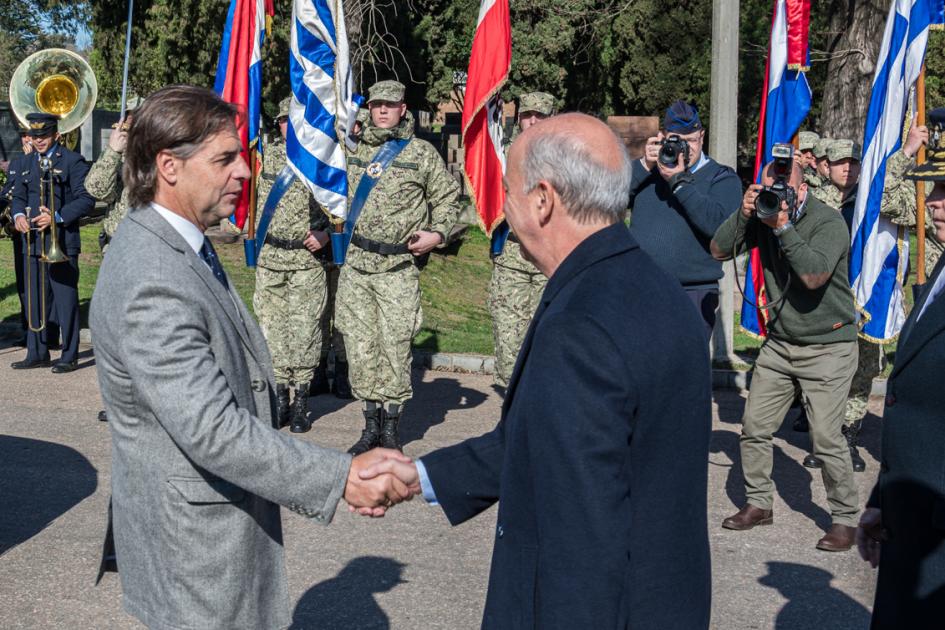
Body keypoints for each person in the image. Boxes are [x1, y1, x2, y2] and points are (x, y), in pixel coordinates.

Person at [359, 113, 713, 628]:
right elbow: (543, 440)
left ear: (543, 199)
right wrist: (421, 477)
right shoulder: (656, 291)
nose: (502, 207)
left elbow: (581, 531)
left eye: (507, 190)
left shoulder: (582, 325)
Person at [89, 85, 413, 630]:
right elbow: (212, 430)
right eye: (224, 158)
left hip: (204, 536)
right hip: (195, 551)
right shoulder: (154, 276)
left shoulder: (174, 245)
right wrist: (341, 476)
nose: (244, 171)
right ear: (169, 166)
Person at [711, 151, 860, 551]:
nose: (776, 194)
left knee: (826, 438)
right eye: (768, 187)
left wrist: (782, 227)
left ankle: (845, 519)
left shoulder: (828, 222)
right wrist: (745, 213)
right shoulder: (761, 213)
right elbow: (718, 251)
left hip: (829, 345)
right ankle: (759, 503)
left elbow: (812, 275)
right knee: (754, 427)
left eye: (784, 188)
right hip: (780, 344)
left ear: (804, 188)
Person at [336, 80, 461, 454]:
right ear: (368, 109)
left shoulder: (420, 154)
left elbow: (447, 198)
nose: (382, 111)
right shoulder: (351, 151)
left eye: (390, 105)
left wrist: (437, 235)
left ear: (403, 108)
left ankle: (391, 427)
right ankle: (369, 423)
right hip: (358, 267)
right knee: (360, 350)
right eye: (376, 105)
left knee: (395, 347)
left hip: (397, 268)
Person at [857, 115, 945, 627]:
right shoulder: (938, 269)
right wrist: (883, 499)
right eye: (932, 187)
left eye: (944, 190)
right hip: (909, 521)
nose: (931, 200)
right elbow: (910, 400)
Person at [629, 99, 742, 339]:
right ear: (662, 136)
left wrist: (678, 181)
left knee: (684, 372)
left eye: (691, 140)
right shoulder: (647, 172)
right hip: (641, 288)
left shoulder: (722, 178)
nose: (686, 148)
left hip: (693, 293)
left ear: (702, 136)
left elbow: (719, 227)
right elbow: (607, 201)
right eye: (678, 140)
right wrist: (642, 164)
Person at [253, 97, 333, 433]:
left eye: (294, 119)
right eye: (284, 120)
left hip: (305, 260)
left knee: (305, 331)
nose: (288, 125)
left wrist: (328, 233)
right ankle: (280, 400)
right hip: (270, 258)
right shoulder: (263, 154)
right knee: (271, 330)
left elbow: (345, 201)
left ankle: (301, 402)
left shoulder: (321, 158)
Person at [10, 112, 94, 372]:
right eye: (35, 136)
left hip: (62, 242)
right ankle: (37, 351)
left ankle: (69, 355)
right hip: (33, 241)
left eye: (44, 135)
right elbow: (19, 196)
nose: (39, 140)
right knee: (35, 299)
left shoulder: (72, 161)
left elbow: (86, 199)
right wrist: (18, 215)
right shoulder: (25, 162)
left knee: (65, 300)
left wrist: (57, 217)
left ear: (56, 134)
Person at [489, 91, 554, 389]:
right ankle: (513, 407)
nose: (532, 121)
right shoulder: (502, 154)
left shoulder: (567, 156)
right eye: (527, 115)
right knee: (509, 338)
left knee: (550, 337)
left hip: (550, 261)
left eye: (540, 115)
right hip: (512, 258)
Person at [86, 94, 145, 253]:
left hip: (143, 245)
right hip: (115, 244)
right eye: (128, 116)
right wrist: (113, 151)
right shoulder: (115, 154)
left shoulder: (156, 156)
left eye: (138, 116)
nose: (131, 121)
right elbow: (96, 190)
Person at [0, 129, 32, 341]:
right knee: (23, 284)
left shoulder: (57, 161)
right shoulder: (17, 164)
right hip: (19, 231)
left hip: (42, 229)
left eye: (32, 135)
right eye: (24, 135)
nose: (27, 139)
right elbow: (7, 194)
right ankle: (28, 328)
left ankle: (47, 332)